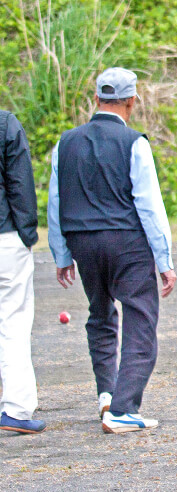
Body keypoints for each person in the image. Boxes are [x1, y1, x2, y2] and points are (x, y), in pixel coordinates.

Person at [48, 67, 177, 431]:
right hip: (126, 243)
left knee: (100, 315)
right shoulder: (135, 142)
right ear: (132, 102)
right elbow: (149, 205)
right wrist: (164, 260)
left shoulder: (65, 142)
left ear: (96, 99)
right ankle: (124, 408)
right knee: (141, 320)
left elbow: (56, 203)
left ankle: (106, 395)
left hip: (82, 243)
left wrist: (60, 254)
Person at [0, 110, 45, 435]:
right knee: (13, 322)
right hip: (5, 238)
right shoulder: (5, 123)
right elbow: (19, 183)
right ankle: (15, 408)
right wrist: (27, 233)